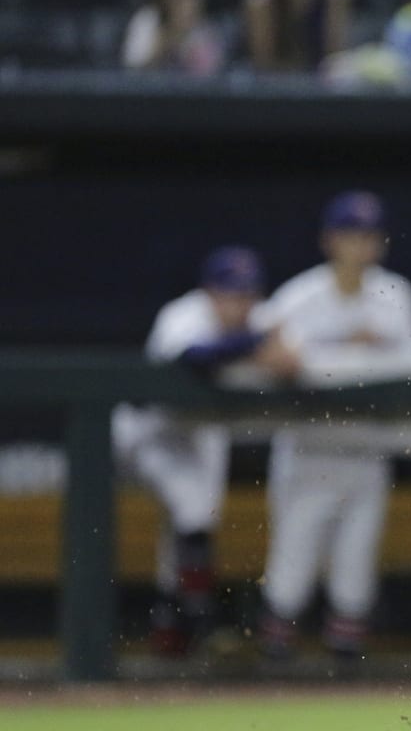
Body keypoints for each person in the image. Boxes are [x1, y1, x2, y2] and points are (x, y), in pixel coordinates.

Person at [252, 191, 411, 660]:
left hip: (368, 450)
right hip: (310, 450)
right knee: (290, 570)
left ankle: (344, 682)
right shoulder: (300, 294)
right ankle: (270, 678)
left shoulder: (396, 293)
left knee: (355, 577)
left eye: (369, 235)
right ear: (330, 240)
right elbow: (262, 350)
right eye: (351, 234)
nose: (360, 245)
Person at [112, 246, 300, 656]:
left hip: (202, 431)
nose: (240, 303)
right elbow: (194, 357)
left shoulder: (261, 317)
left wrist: (274, 348)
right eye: (230, 294)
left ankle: (171, 621)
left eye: (247, 294)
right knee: (192, 509)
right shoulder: (183, 315)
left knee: (194, 522)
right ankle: (200, 619)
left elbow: (293, 357)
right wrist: (254, 344)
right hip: (152, 431)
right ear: (209, 292)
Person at [244, 0, 353, 73]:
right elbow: (264, 65)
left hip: (319, 82)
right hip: (273, 83)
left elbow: (335, 60)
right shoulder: (262, 0)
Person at [121, 0, 226, 76]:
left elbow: (212, 76)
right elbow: (132, 70)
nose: (187, 2)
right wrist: (169, 36)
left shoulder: (203, 28)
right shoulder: (146, 20)